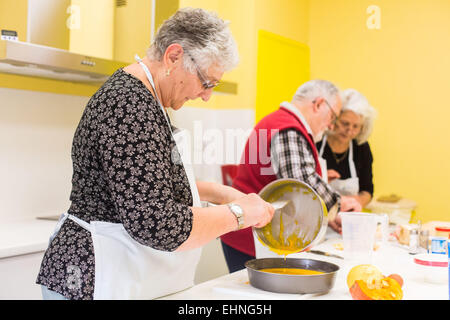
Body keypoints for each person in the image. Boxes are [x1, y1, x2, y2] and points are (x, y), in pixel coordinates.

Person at [36, 8, 274, 300]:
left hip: (117, 275)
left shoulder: (148, 100)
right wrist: (238, 214)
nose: (207, 95)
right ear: (173, 57)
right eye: (206, 81)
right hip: (89, 279)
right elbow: (158, 224)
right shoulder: (126, 105)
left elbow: (146, 186)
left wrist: (219, 193)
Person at [220, 80, 362, 272]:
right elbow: (303, 183)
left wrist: (330, 215)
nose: (330, 125)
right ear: (318, 104)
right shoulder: (288, 129)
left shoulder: (281, 122)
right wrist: (339, 203)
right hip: (250, 235)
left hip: (247, 230)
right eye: (333, 117)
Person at [316, 88, 377, 208]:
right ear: (334, 118)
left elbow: (367, 191)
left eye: (356, 126)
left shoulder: (361, 148)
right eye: (345, 123)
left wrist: (355, 203)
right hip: (318, 214)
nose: (349, 130)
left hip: (349, 216)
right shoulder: (316, 140)